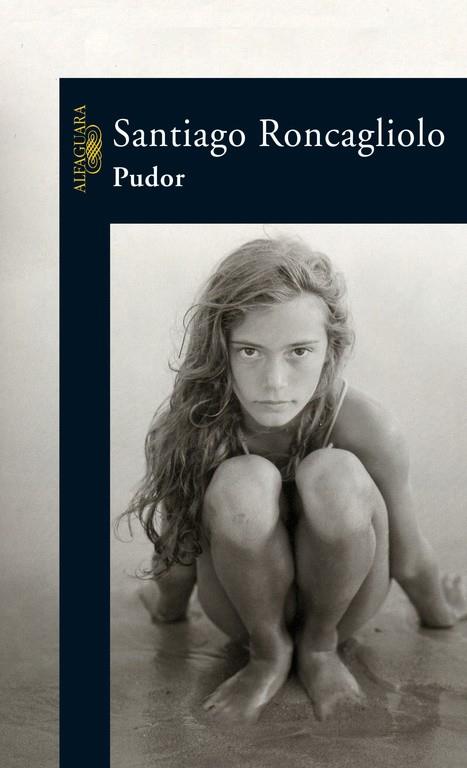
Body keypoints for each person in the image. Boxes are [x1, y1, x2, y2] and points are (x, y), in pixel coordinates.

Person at [121, 236, 466, 723]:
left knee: (334, 472)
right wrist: (168, 605)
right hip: (242, 613)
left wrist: (440, 612)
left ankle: (319, 647)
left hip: (346, 610)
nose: (275, 382)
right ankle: (269, 653)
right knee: (243, 479)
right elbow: (178, 553)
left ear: (331, 350)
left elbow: (407, 553)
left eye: (299, 351)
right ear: (220, 350)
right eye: (250, 351)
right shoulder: (195, 426)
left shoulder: (366, 425)